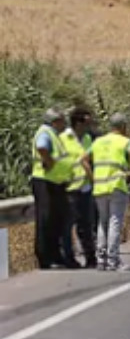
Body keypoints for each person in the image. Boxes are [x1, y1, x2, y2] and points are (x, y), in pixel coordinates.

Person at [88, 113, 130, 272]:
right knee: (114, 222)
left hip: (99, 186)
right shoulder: (125, 141)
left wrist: (92, 178)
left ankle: (101, 259)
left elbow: (83, 159)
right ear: (123, 126)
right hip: (117, 185)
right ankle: (113, 260)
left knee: (102, 222)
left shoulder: (98, 141)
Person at [30, 108, 73, 269]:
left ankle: (56, 255)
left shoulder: (53, 134)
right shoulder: (45, 133)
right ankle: (46, 258)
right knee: (46, 220)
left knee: (56, 219)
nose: (64, 124)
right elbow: (42, 148)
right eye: (62, 120)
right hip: (45, 182)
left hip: (55, 182)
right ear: (55, 121)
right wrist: (49, 162)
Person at [60, 107, 97, 268]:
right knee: (68, 226)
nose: (90, 126)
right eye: (87, 123)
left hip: (86, 187)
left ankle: (91, 257)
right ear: (78, 123)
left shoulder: (88, 138)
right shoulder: (63, 138)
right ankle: (69, 258)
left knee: (87, 225)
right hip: (70, 188)